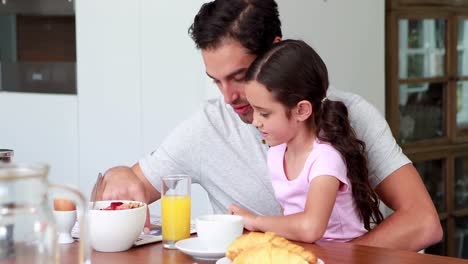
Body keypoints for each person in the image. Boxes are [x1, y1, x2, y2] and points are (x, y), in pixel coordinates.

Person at [98, 0, 442, 251]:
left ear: (275, 52)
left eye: (240, 76)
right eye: (216, 82)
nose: (230, 97)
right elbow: (128, 189)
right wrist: (117, 177)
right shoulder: (207, 128)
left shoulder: (347, 115)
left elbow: (423, 222)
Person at [228, 39, 383, 243]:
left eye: (264, 113)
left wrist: (255, 221)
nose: (255, 122)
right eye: (253, 109)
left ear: (301, 110)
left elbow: (311, 228)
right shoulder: (276, 153)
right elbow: (291, 224)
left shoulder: (325, 159)